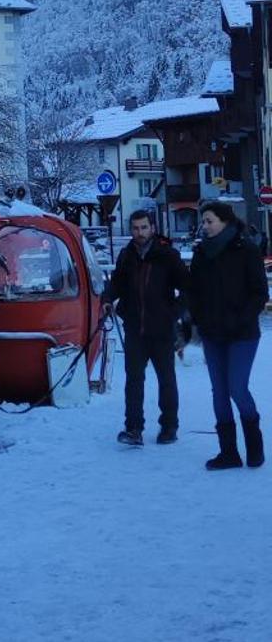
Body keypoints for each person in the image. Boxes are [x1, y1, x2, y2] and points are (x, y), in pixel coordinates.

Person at [187, 200, 266, 470]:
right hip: (212, 332)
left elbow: (259, 293)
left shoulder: (247, 250)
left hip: (243, 334)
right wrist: (195, 320)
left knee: (236, 387)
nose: (205, 226)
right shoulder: (201, 254)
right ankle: (229, 452)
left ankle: (255, 446)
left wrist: (241, 319)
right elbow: (193, 292)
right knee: (219, 392)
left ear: (225, 221)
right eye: (203, 221)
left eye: (209, 221)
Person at [108, 209, 189, 446]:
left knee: (166, 379)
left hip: (162, 329)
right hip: (134, 328)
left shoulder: (167, 255)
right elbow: (116, 285)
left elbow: (187, 288)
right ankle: (134, 429)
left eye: (144, 227)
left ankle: (169, 426)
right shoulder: (126, 255)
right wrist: (106, 300)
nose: (139, 232)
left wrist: (173, 312)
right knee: (134, 379)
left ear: (152, 227)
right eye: (135, 228)